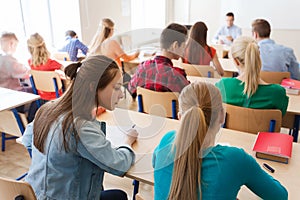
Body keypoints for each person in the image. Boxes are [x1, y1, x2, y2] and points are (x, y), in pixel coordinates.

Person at [23, 55, 138, 199]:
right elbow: (119, 165)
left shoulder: (48, 109)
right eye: (116, 88)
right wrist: (127, 141)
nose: (122, 94)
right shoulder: (80, 127)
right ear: (93, 87)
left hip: (36, 195)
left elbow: (27, 140)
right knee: (119, 196)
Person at [152, 82, 288, 200]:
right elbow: (280, 196)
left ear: (180, 118)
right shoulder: (236, 159)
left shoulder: (167, 140)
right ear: (222, 116)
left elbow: (154, 161)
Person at [215, 36, 289, 115]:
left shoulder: (221, 86)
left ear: (236, 61)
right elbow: (282, 117)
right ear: (257, 57)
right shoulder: (278, 93)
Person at [128, 23, 190, 96]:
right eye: (184, 46)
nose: (185, 49)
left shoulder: (143, 67)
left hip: (146, 107)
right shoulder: (177, 76)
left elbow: (131, 90)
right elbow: (190, 97)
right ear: (175, 45)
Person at [27, 33, 64, 100]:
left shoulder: (30, 62)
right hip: (56, 97)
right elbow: (65, 69)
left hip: (41, 96)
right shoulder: (50, 62)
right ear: (44, 46)